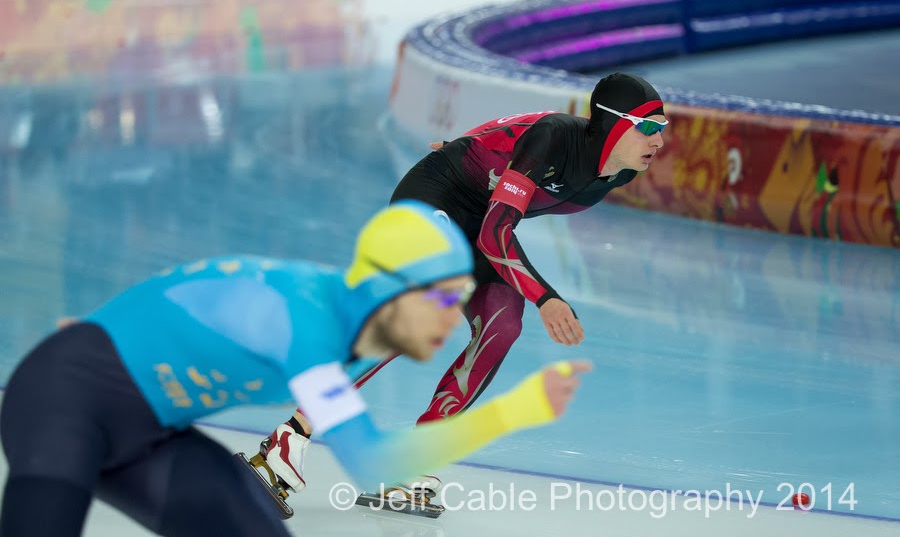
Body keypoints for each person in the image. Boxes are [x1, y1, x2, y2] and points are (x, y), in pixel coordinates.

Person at [0, 200, 590, 536]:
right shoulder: (305, 323)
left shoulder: (355, 323)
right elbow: (373, 465)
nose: (453, 318)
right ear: (393, 289)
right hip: (63, 404)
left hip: (149, 435)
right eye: (443, 299)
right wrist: (516, 411)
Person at [259, 71, 667, 501]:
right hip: (438, 196)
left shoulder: (617, 174)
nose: (658, 141)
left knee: (504, 322)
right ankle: (290, 437)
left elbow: (501, 177)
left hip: (479, 221)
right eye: (648, 127)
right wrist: (545, 296)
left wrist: (470, 143)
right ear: (612, 124)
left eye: (662, 129)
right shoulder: (556, 136)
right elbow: (496, 229)